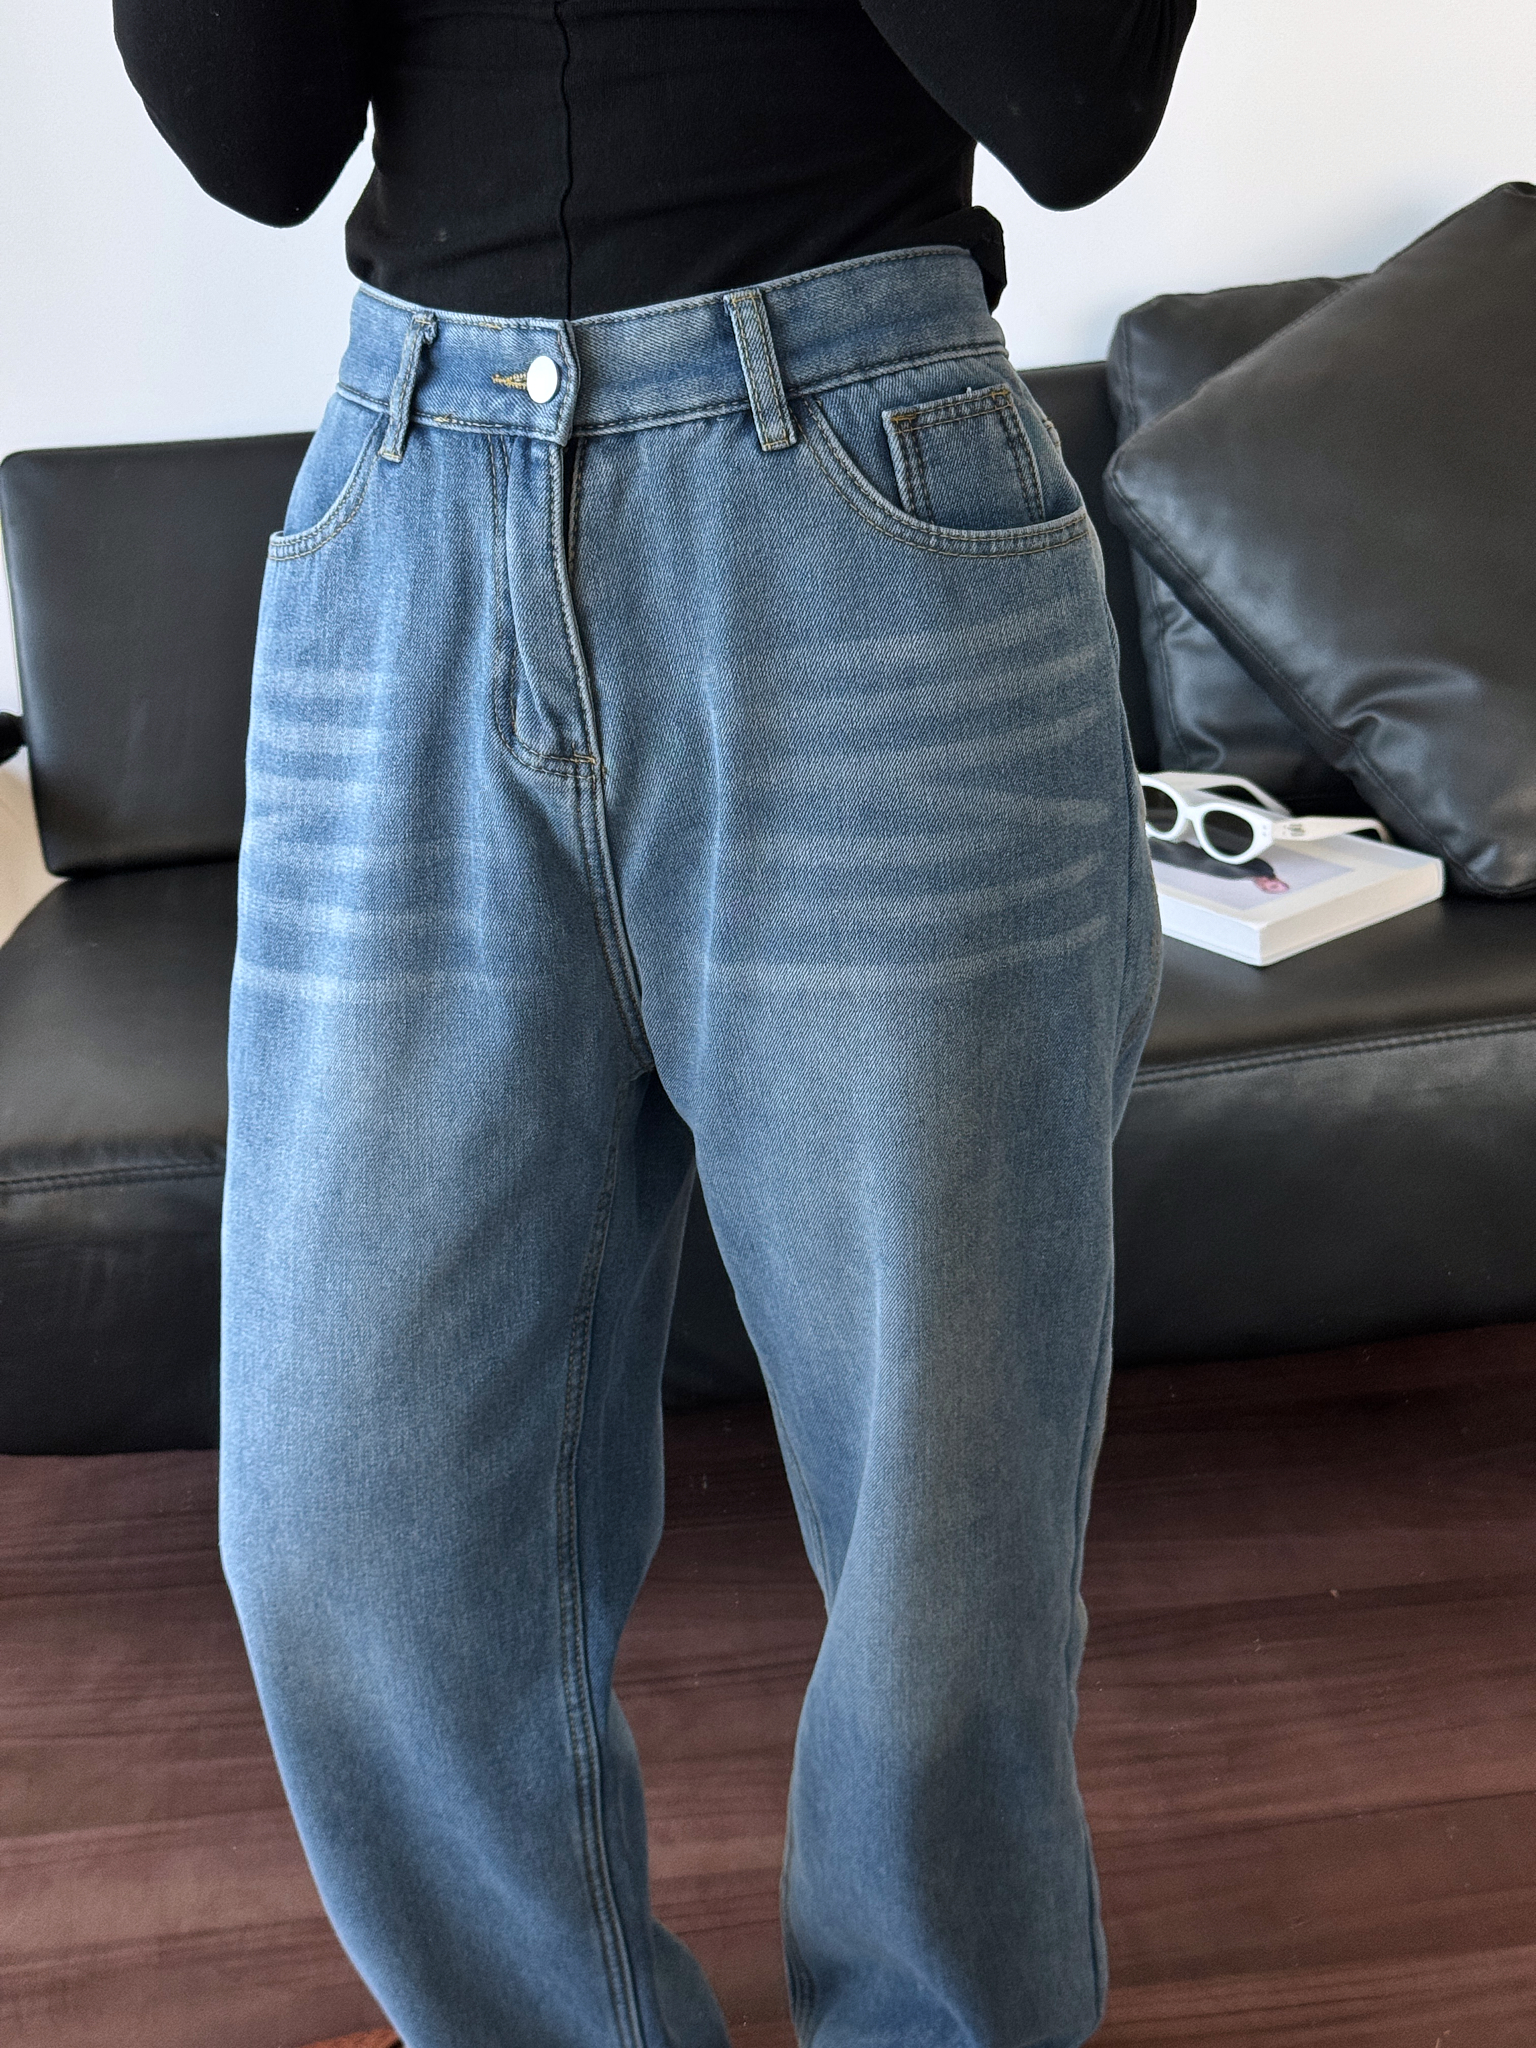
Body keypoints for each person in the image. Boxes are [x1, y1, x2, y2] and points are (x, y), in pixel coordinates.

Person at [113, 7, 1193, 2046]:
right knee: (348, 1529)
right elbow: (246, 133)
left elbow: (1077, 97)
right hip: (411, 499)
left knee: (945, 1539)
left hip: (866, 497)